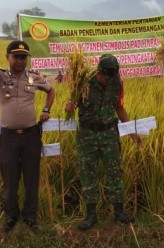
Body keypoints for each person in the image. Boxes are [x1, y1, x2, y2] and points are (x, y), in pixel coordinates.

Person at [0, 40, 55, 232]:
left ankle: (30, 216)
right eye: (16, 57)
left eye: (23, 57)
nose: (20, 61)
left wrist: (46, 109)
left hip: (30, 135)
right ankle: (11, 215)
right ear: (7, 57)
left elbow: (51, 90)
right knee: (9, 177)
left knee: (31, 176)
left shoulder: (34, 77)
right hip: (9, 137)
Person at [64, 54, 140, 231]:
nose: (109, 80)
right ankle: (91, 215)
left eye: (112, 77)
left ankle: (119, 212)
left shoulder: (117, 84)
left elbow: (119, 107)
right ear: (99, 72)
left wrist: (132, 132)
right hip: (87, 136)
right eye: (107, 77)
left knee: (114, 172)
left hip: (109, 134)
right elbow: (71, 105)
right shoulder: (83, 83)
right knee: (87, 173)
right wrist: (69, 106)